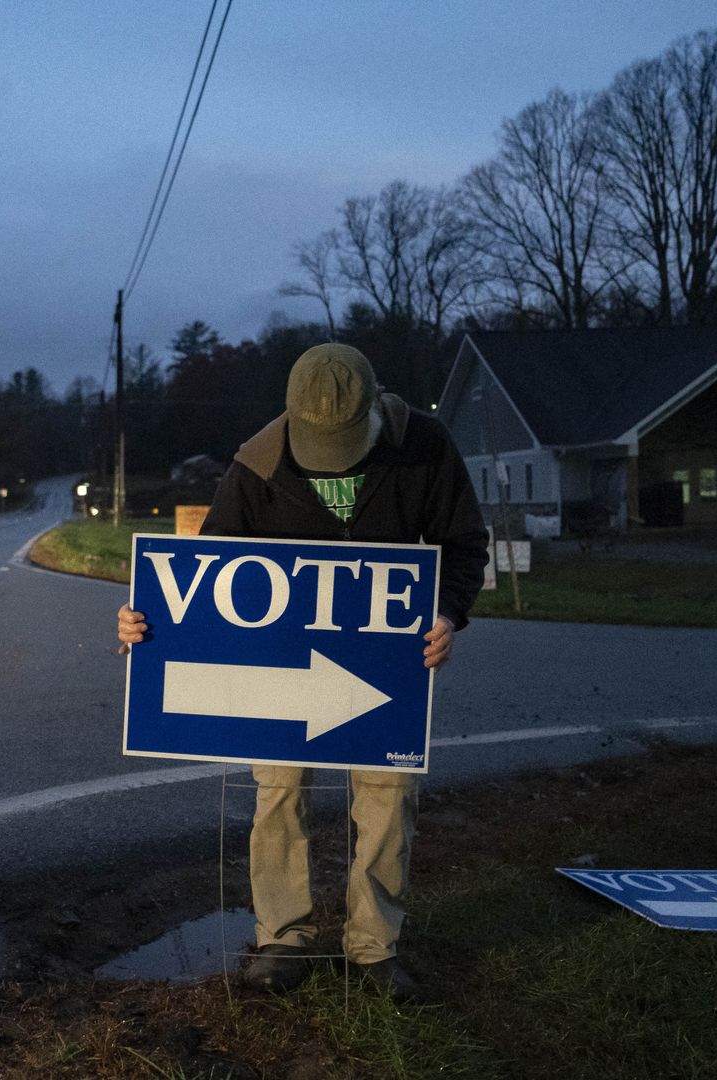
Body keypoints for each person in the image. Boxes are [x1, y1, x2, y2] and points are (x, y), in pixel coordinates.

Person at [115, 342, 487, 1001]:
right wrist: (150, 628)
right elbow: (205, 580)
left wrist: (447, 614)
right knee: (279, 793)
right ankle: (283, 940)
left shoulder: (426, 447)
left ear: (377, 410)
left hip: (387, 663)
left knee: (388, 797)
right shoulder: (257, 464)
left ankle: (373, 951)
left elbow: (463, 546)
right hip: (280, 670)